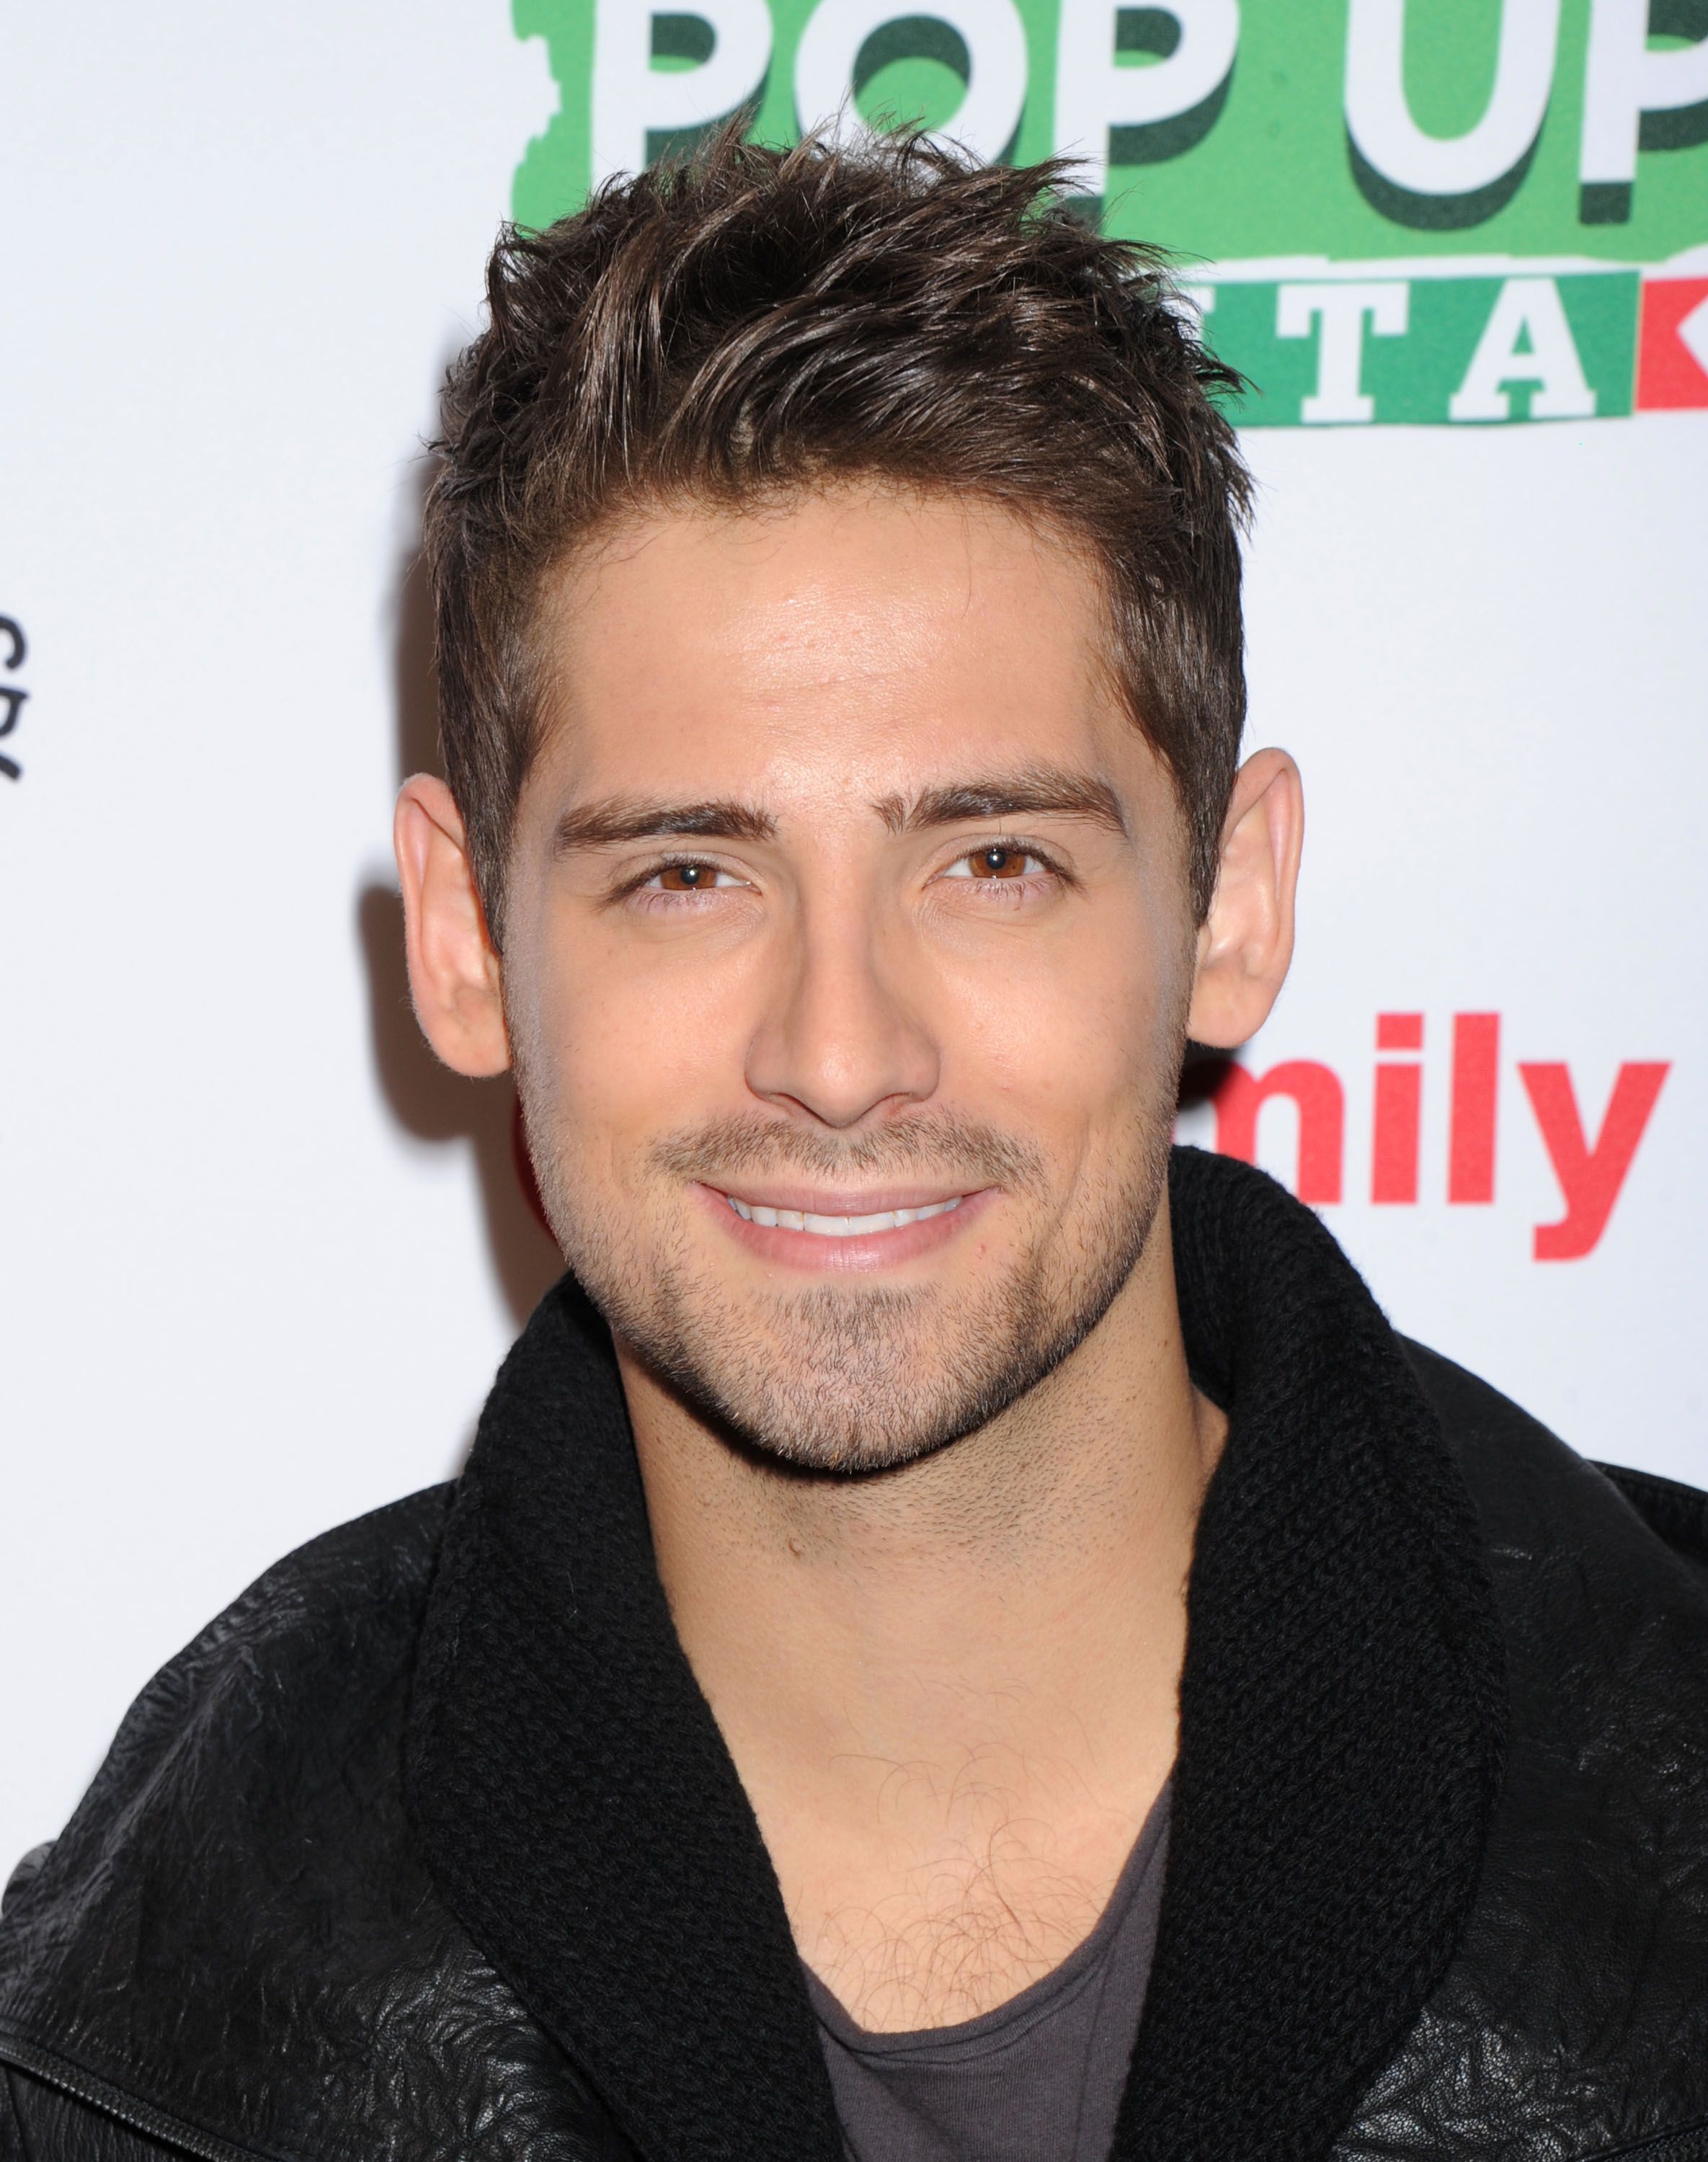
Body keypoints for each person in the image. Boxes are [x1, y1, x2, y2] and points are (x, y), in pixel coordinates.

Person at [3, 128, 1705, 2162]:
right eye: (687, 875)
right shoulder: (127, 2031)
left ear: (1231, 907)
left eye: (991, 862)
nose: (837, 1050)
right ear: (465, 942)